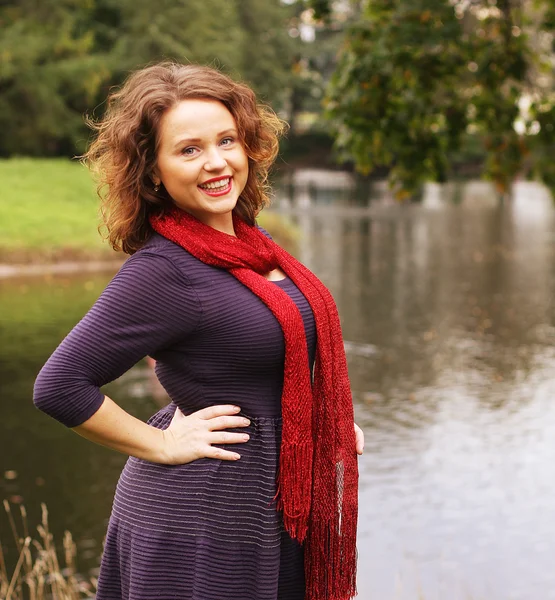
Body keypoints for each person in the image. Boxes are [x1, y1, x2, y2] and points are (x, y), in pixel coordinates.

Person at [33, 62, 364, 600]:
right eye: (189, 149)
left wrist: (327, 422)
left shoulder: (257, 249)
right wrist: (161, 444)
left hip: (279, 512)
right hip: (205, 524)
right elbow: (60, 386)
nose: (216, 163)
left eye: (227, 140)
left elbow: (268, 362)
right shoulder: (166, 269)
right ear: (153, 170)